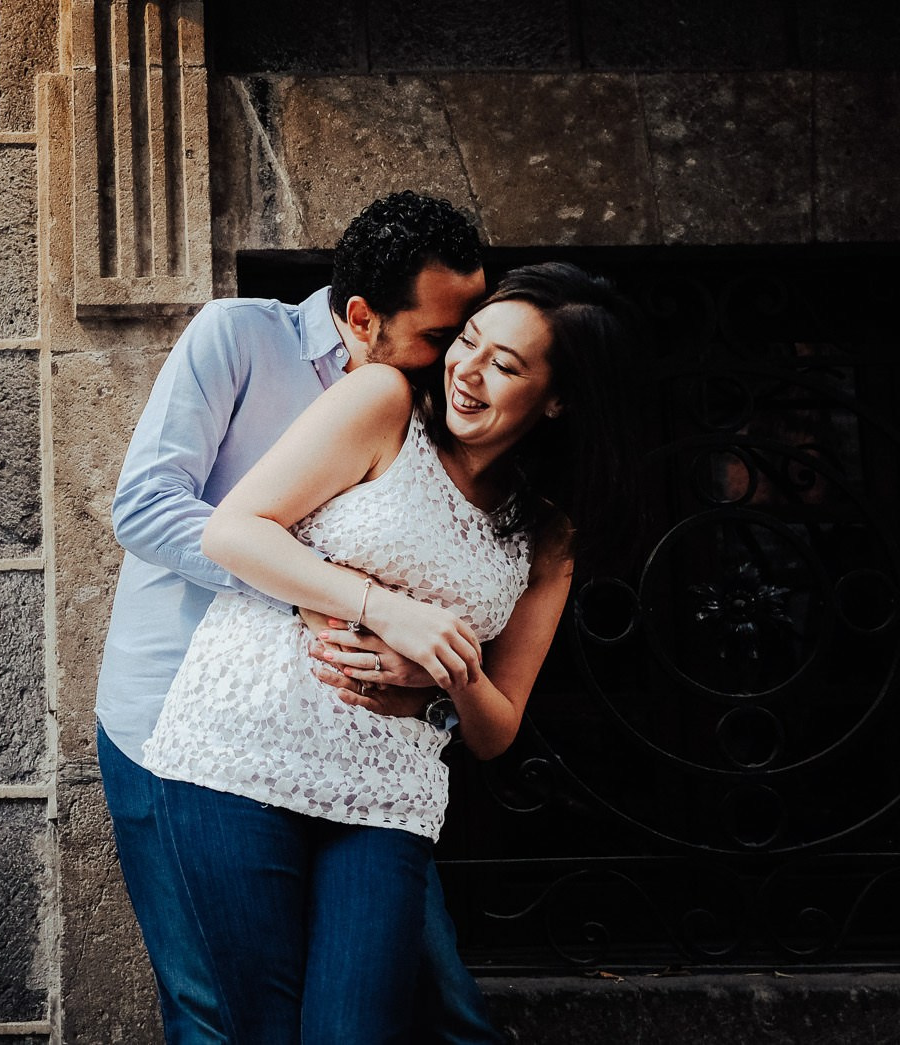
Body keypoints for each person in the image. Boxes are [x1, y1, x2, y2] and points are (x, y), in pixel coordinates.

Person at [144, 262, 643, 1045]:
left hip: (387, 794)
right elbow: (233, 529)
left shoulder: (547, 533)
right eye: (466, 340)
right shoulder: (384, 404)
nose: (467, 370)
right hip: (237, 754)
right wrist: (390, 611)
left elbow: (495, 727)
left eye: (505, 365)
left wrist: (444, 672)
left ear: (557, 399)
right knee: (259, 1029)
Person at [95, 192, 495, 1044]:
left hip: (349, 755)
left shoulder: (434, 407)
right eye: (437, 335)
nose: (455, 358)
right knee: (217, 1011)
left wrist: (428, 685)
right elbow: (145, 506)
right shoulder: (237, 337)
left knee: (444, 1004)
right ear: (361, 316)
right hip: (177, 722)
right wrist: (311, 590)